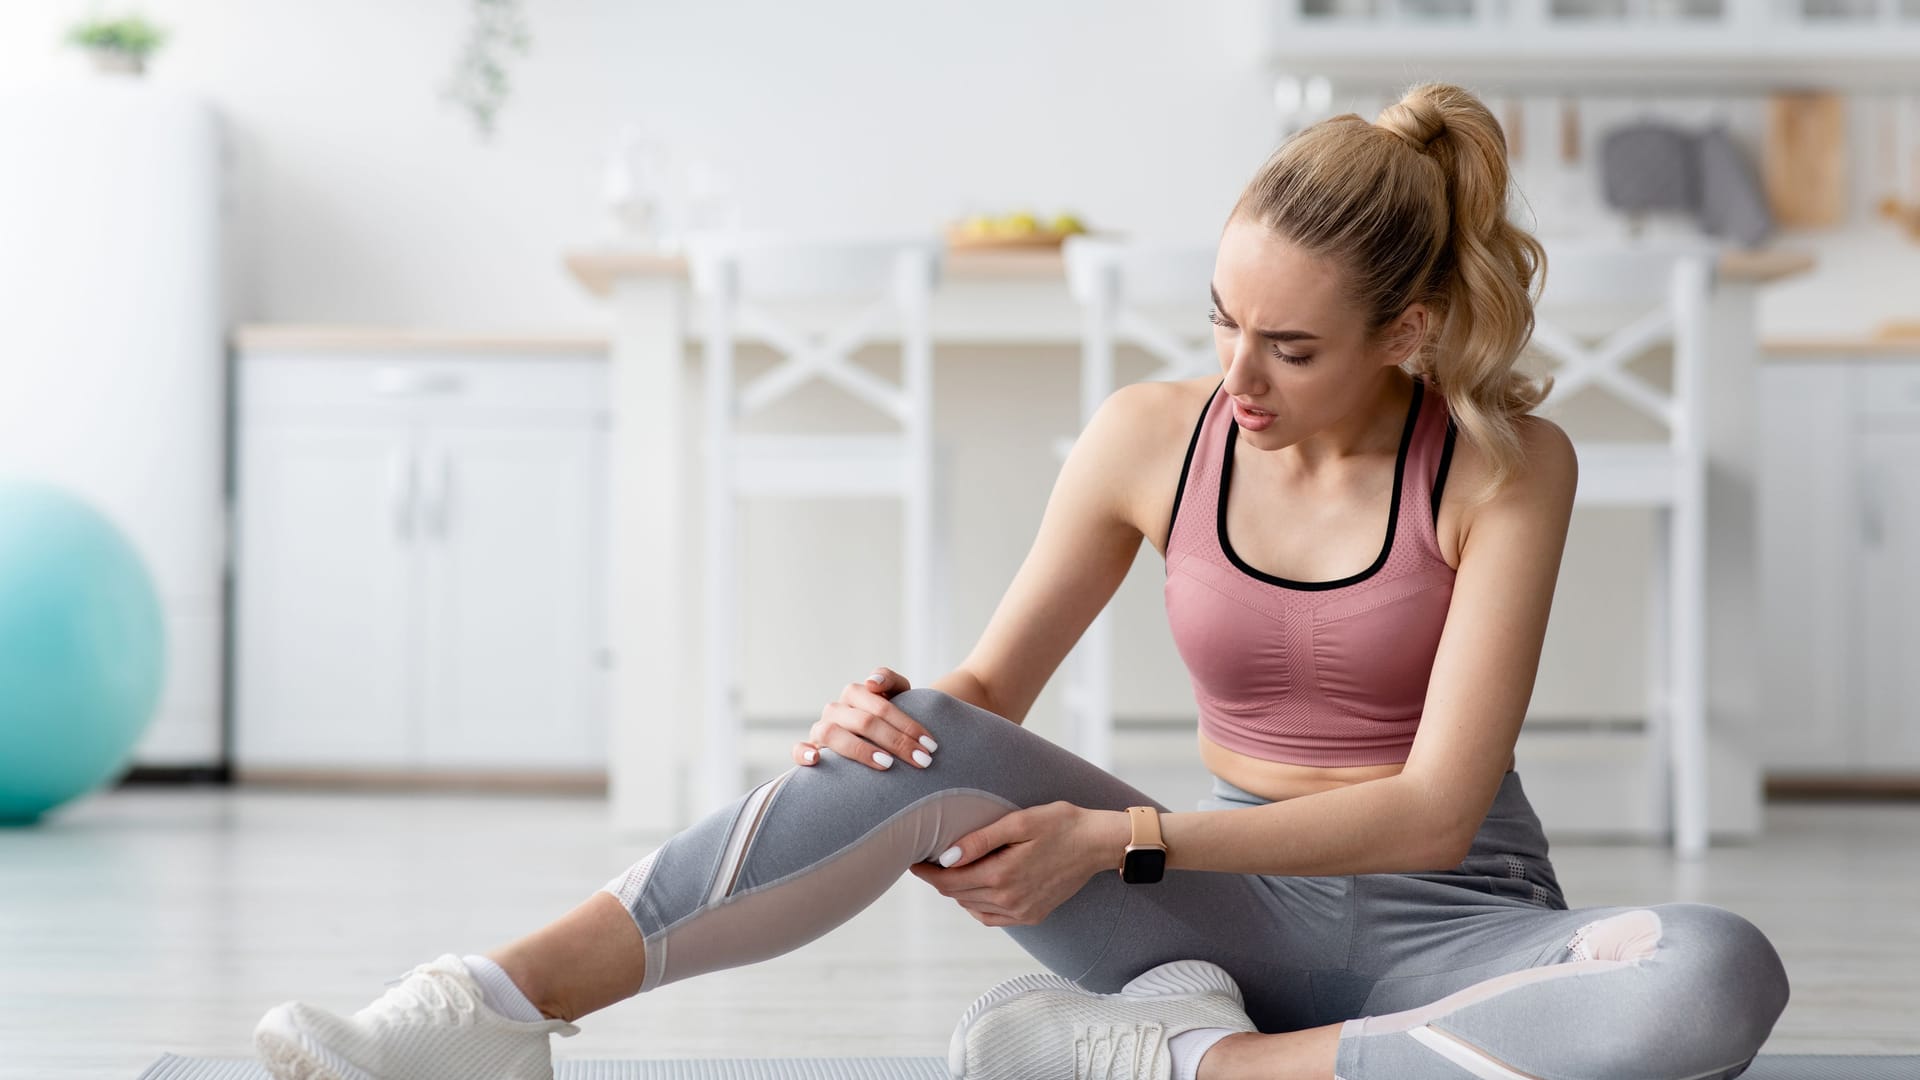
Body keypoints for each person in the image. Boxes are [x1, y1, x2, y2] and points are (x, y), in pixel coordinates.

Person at [253, 81, 1791, 1080]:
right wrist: (890, 722)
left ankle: (1190, 1067)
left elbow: (1436, 807)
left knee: (1711, 977)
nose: (1235, 377)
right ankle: (488, 1014)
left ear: (1405, 333)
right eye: (1222, 324)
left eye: (1292, 347)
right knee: (923, 726)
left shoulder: (1507, 466)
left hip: (1462, 928)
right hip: (1211, 912)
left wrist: (1119, 837)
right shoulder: (1149, 439)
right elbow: (992, 695)